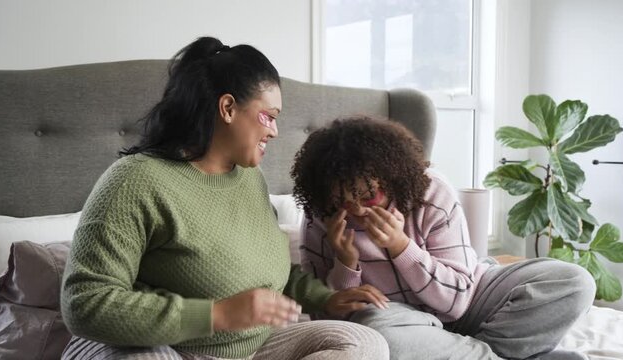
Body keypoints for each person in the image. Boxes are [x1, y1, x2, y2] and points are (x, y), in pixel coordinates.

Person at [60, 37, 390, 360]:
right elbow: (85, 302)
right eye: (270, 116)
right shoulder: (134, 182)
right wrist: (215, 315)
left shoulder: (249, 178)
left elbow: (268, 273)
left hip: (255, 348)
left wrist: (326, 298)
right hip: (170, 348)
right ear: (228, 108)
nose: (275, 131)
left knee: (364, 344)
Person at [292, 116, 596, 360]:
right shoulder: (321, 214)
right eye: (344, 201)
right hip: (396, 319)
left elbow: (457, 304)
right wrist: (345, 266)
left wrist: (401, 247)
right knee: (379, 339)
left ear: (392, 178)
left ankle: (475, 351)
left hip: (468, 298)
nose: (357, 209)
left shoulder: (431, 192)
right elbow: (328, 321)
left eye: (369, 195)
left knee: (575, 282)